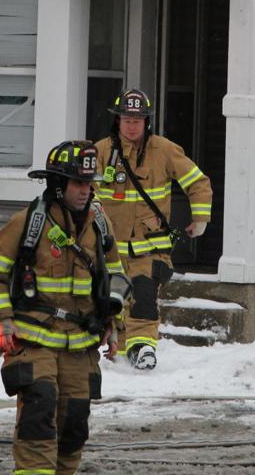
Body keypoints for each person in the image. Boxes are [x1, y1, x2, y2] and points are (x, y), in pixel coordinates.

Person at [0, 140, 129, 475]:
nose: (85, 191)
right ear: (58, 185)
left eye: (89, 184)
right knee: (39, 414)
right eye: (77, 183)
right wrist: (3, 319)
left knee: (74, 426)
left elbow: (115, 277)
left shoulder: (100, 226)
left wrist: (114, 322)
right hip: (34, 342)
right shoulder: (27, 223)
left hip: (80, 345)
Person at [93, 88, 212, 370]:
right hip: (109, 250)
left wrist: (201, 218)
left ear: (147, 121)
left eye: (137, 120)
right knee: (111, 299)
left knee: (144, 296)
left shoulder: (165, 150)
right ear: (117, 121)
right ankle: (117, 348)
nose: (131, 125)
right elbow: (86, 191)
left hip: (149, 249)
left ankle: (143, 347)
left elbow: (198, 182)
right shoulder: (101, 151)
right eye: (126, 120)